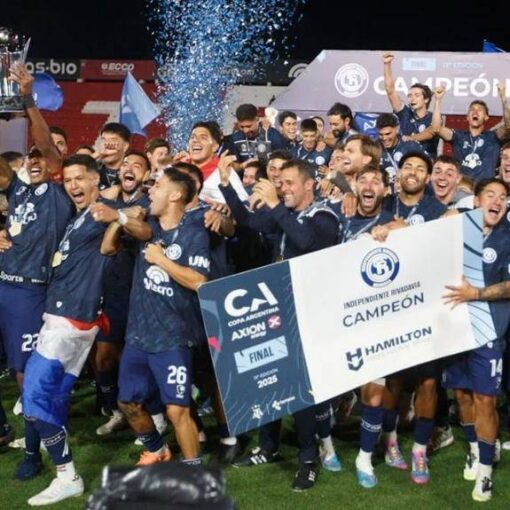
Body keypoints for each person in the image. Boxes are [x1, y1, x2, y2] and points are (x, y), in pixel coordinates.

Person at [21, 154, 148, 506]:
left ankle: (67, 476)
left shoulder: (103, 211)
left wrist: (120, 216)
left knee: (34, 398)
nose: (73, 185)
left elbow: (140, 219)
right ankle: (63, 467)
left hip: (72, 320)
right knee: (53, 398)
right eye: (68, 180)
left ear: (96, 180)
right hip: (64, 317)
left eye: (80, 178)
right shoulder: (80, 217)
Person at [219, 159, 339, 490]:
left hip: (310, 315)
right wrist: (228, 185)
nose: (282, 188)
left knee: (299, 390)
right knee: (269, 379)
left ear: (309, 185)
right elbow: (248, 221)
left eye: (288, 183)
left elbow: (307, 243)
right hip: (278, 309)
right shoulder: (284, 213)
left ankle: (308, 459)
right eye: (280, 183)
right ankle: (268, 447)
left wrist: (274, 205)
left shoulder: (325, 216)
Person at [0, 63, 74, 467]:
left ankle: (34, 451)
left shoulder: (59, 193)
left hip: (31, 290)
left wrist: (27, 98)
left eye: (42, 156)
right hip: (4, 284)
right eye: (29, 156)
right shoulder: (17, 189)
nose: (34, 159)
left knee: (26, 376)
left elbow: (45, 144)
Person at [117, 167, 209, 469]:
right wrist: (119, 217)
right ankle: (157, 449)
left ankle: (193, 472)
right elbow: (110, 244)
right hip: (138, 336)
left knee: (177, 411)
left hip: (173, 338)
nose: (151, 190)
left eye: (158, 186)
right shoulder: (147, 227)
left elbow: (198, 281)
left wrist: (161, 260)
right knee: (127, 402)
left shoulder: (194, 233)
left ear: (176, 195)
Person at [375, 151, 454, 485]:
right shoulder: (382, 204)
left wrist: (406, 231)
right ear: (399, 173)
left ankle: (420, 449)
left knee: (428, 381)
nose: (412, 172)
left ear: (427, 177)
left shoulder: (439, 210)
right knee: (393, 379)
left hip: (425, 306)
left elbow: (444, 245)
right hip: (389, 307)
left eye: (420, 168)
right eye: (407, 166)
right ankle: (390, 441)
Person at [443, 178, 510, 502]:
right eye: (491, 195)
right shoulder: (457, 229)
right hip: (455, 329)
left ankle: (485, 472)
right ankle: (473, 448)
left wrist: (477, 294)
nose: (497, 201)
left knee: (485, 400)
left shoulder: (508, 237)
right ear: (477, 201)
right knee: (462, 395)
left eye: (503, 197)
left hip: (488, 333)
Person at [95, 151, 154, 437]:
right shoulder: (108, 201)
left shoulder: (151, 203)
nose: (129, 168)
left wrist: (119, 218)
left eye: (137, 165)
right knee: (104, 358)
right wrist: (121, 216)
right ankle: (116, 411)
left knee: (141, 359)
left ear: (146, 174)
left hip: (142, 294)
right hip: (111, 291)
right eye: (125, 164)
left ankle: (154, 412)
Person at [431, 85, 510, 181]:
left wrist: (503, 99)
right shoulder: (458, 136)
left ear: (486, 117)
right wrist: (438, 100)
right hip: (462, 186)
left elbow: (508, 125)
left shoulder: (493, 136)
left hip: (484, 186)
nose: (475, 111)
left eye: (480, 109)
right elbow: (436, 128)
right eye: (472, 109)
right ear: (467, 117)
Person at [382, 52, 438, 155]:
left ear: (426, 99)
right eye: (409, 95)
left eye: (417, 95)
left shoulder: (434, 117)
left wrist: (411, 138)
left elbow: (431, 132)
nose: (412, 99)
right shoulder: (404, 113)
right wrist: (387, 64)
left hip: (427, 162)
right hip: (405, 160)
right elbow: (390, 90)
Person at [376, 113, 425, 185]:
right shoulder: (375, 148)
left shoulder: (411, 147)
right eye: (381, 134)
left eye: (388, 134)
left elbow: (425, 169)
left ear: (397, 129)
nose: (384, 138)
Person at [96, 122, 131, 190]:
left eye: (113, 140)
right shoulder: (91, 170)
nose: (107, 144)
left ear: (125, 146)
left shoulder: (132, 173)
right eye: (103, 140)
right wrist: (96, 155)